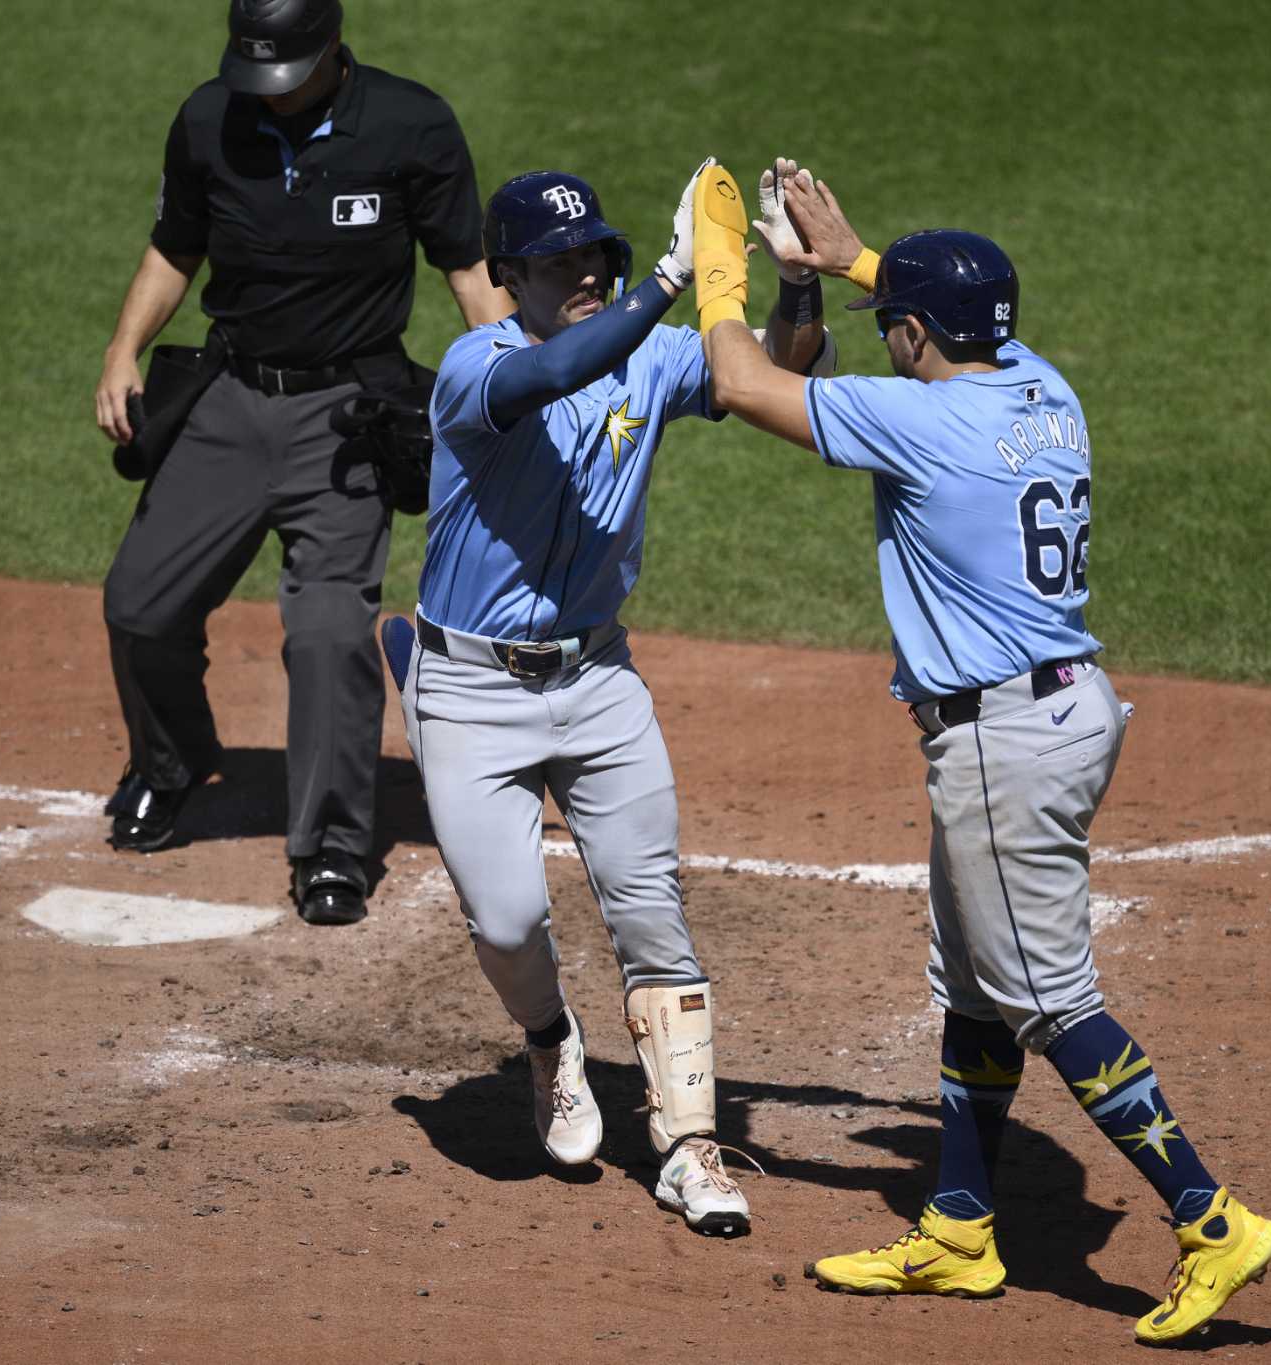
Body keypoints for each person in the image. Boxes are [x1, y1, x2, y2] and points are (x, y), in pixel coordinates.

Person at [696, 163, 1271, 1341]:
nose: (886, 339)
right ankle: (959, 1229)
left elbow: (741, 381)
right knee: (972, 985)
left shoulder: (916, 421)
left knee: (1045, 998)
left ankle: (1208, 1217)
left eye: (890, 325)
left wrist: (722, 262)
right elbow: (939, 323)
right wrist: (853, 258)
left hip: (998, 744)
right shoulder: (1040, 389)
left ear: (913, 336)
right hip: (1059, 713)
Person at [404, 161, 827, 1236]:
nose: (585, 271)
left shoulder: (650, 353)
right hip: (466, 688)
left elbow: (771, 373)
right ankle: (550, 1044)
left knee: (652, 914)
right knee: (504, 922)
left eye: (596, 253)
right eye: (557, 261)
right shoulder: (474, 366)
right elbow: (554, 375)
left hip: (596, 679)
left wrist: (796, 289)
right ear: (506, 277)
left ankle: (689, 1150)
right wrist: (671, 283)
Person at [93, 0, 509, 926]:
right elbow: (177, 246)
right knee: (140, 605)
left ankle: (332, 846)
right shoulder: (210, 118)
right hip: (231, 401)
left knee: (326, 632)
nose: (268, 98)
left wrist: (513, 389)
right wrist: (124, 350)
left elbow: (469, 274)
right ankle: (171, 763)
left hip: (347, 415)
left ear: (331, 49)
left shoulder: (412, 125)